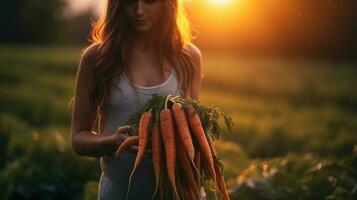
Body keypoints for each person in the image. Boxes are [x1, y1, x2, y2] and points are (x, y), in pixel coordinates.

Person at [70, 0, 204, 199]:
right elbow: (78, 139)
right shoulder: (98, 58)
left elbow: (193, 126)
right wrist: (113, 141)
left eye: (149, 1)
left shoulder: (188, 57)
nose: (139, 11)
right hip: (120, 194)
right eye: (130, 2)